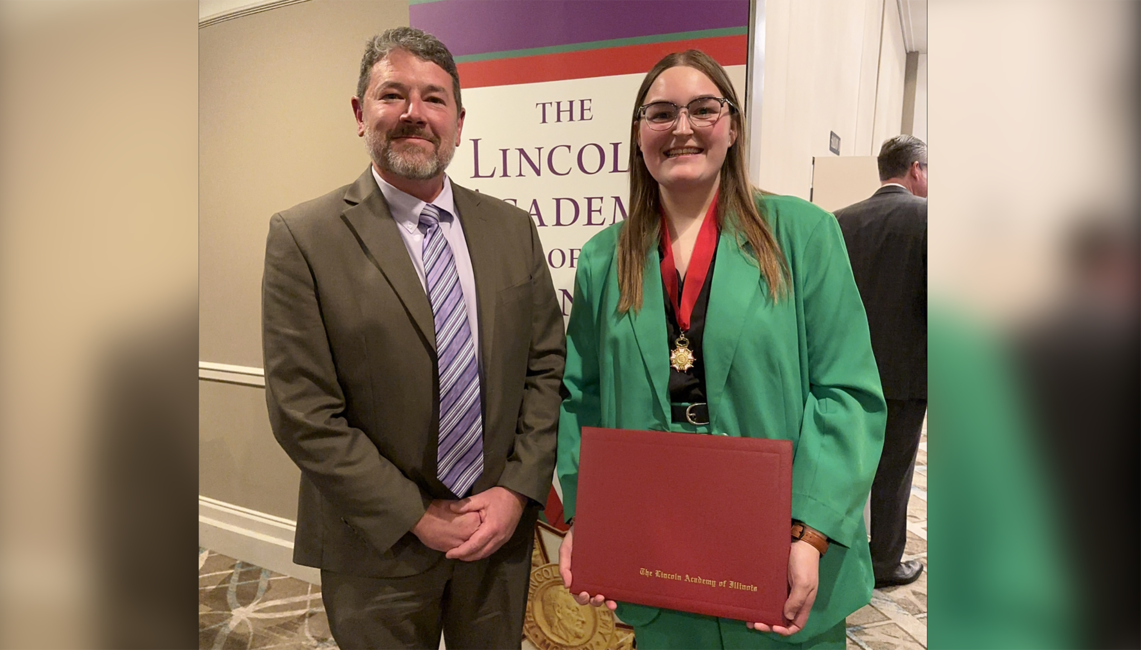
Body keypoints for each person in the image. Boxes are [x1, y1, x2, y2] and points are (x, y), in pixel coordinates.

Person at [555, 50, 886, 649]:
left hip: (782, 559)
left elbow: (848, 395)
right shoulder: (605, 259)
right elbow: (582, 397)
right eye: (660, 114)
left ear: (732, 127)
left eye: (703, 109)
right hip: (659, 557)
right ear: (638, 135)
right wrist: (588, 515)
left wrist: (810, 533)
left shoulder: (803, 235)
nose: (682, 128)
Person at [261, 26, 565, 650]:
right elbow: (304, 412)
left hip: (494, 535)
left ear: (458, 119)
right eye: (392, 94)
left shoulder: (512, 229)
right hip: (376, 545)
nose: (412, 114)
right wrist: (416, 516)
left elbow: (546, 369)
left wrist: (514, 492)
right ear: (359, 112)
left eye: (433, 98)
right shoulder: (303, 237)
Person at [834, 135, 927, 588]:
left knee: (842, 462)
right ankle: (885, 561)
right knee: (893, 470)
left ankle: (831, 552)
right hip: (907, 373)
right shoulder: (929, 219)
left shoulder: (838, 221)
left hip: (842, 369)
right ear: (916, 169)